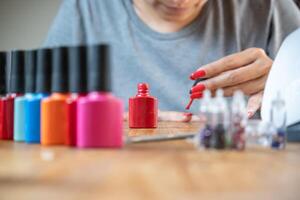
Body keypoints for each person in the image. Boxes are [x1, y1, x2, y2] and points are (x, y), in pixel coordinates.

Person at [45, 0, 300, 121]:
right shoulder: (85, 9)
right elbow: (41, 114)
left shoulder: (269, 7)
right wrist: (110, 119)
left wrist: (288, 83)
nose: (181, 1)